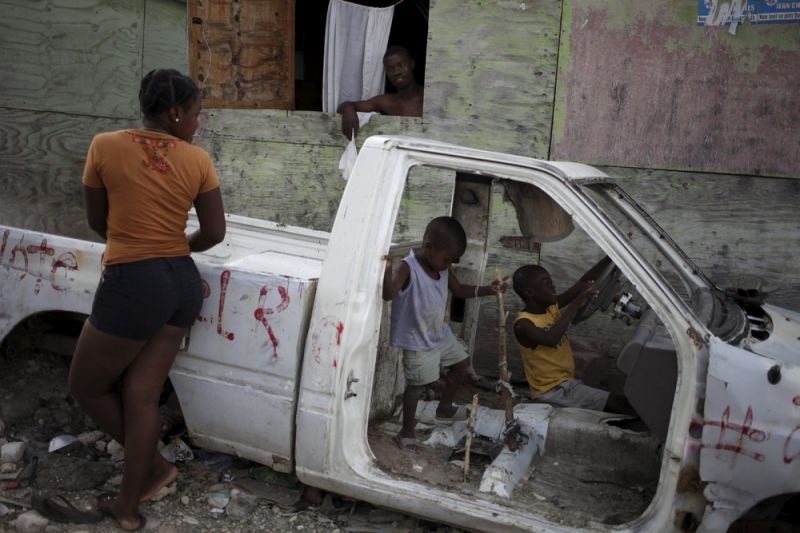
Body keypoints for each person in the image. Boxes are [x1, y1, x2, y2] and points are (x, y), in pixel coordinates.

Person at [68, 69, 226, 531]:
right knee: (141, 397)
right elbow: (214, 234)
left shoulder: (104, 146)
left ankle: (152, 474)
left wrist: (142, 250)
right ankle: (129, 503)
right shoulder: (198, 160)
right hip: (181, 284)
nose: (198, 124)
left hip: (133, 281)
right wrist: (175, 251)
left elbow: (100, 223)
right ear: (175, 114)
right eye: (196, 114)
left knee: (87, 385)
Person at [383, 216, 505, 450]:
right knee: (416, 387)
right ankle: (406, 432)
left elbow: (459, 291)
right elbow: (388, 294)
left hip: (439, 333)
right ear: (429, 247)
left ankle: (444, 408)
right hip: (418, 340)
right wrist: (388, 267)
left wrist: (489, 290)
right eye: (446, 260)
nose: (448, 265)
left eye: (452, 261)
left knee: (461, 363)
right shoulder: (408, 267)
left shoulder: (442, 267)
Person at [512, 258, 633, 413]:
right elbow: (550, 339)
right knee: (621, 404)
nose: (553, 286)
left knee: (621, 403)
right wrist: (575, 305)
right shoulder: (523, 324)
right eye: (546, 283)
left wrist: (609, 257)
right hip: (552, 391)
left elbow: (584, 282)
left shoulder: (550, 308)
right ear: (530, 292)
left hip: (566, 383)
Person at [337, 45, 424, 139]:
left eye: (400, 65)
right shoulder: (387, 101)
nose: (396, 72)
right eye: (390, 69)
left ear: (412, 64)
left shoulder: (428, 98)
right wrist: (348, 109)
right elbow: (347, 105)